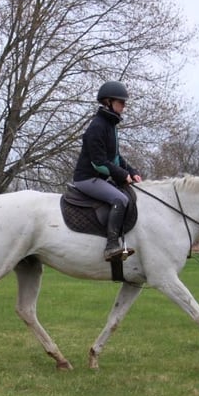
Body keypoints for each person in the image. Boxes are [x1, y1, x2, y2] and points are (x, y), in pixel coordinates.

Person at [73, 80, 142, 261]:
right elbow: (98, 163)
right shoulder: (97, 126)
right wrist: (121, 174)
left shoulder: (110, 126)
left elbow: (116, 158)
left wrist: (132, 171)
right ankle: (111, 246)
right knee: (120, 198)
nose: (124, 107)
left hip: (100, 178)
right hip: (87, 178)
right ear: (108, 102)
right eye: (121, 103)